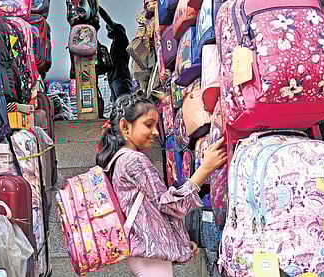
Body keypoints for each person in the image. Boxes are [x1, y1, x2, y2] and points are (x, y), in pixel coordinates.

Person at [96, 94, 227, 277]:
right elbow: (170, 205)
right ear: (125, 126)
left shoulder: (118, 159)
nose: (156, 131)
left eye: (156, 125)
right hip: (149, 253)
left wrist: (179, 242)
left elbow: (150, 211)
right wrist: (205, 168)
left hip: (144, 250)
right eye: (148, 124)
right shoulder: (134, 160)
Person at [99, 7, 133, 103]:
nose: (108, 29)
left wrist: (98, 8)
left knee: (126, 107)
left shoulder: (121, 37)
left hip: (120, 79)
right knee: (118, 109)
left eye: (109, 28)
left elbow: (108, 19)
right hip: (115, 81)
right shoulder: (115, 46)